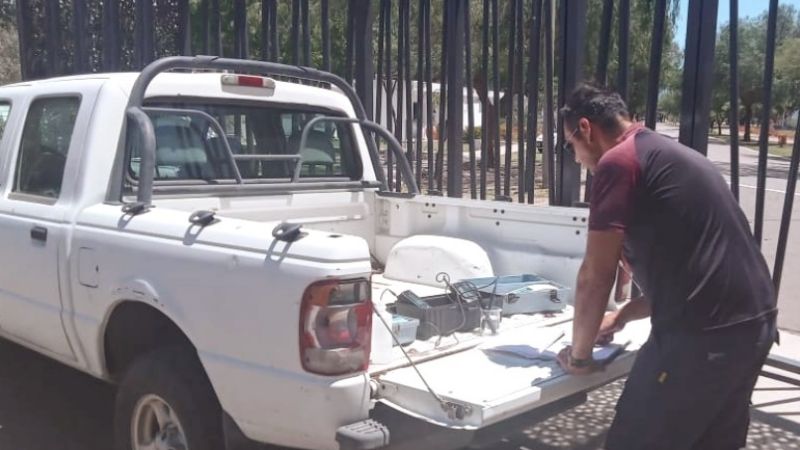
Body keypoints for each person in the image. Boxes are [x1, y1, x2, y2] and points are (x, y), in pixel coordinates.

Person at [555, 83, 778, 450]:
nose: (576, 159)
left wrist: (579, 357)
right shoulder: (667, 154)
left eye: (569, 146)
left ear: (585, 128)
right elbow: (694, 276)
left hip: (701, 339)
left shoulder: (618, 161)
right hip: (753, 328)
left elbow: (595, 276)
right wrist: (622, 315)